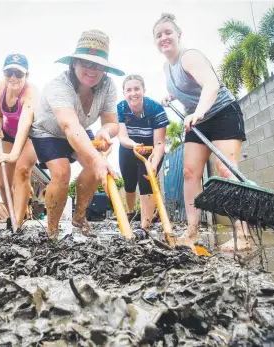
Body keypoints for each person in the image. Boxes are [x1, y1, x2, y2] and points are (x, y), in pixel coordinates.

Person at [153, 13, 250, 251]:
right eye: (158, 35)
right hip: (197, 120)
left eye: (168, 32)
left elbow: (211, 84)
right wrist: (172, 95)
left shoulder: (190, 56)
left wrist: (199, 112)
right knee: (189, 172)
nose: (164, 38)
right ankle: (192, 232)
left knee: (226, 170)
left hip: (222, 113)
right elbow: (188, 84)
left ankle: (243, 236)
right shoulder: (167, 67)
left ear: (179, 35)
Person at [29, 29, 123, 239]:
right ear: (73, 63)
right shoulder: (58, 86)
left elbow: (112, 123)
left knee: (93, 165)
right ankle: (52, 231)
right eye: (86, 63)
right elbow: (69, 126)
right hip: (48, 131)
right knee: (62, 172)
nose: (92, 69)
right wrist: (97, 159)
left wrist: (104, 131)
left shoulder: (108, 86)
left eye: (98, 64)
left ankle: (80, 217)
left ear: (105, 68)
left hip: (79, 129)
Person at [117, 74, 168, 237]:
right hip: (128, 148)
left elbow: (160, 143)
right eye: (129, 90)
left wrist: (153, 165)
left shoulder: (155, 109)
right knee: (129, 184)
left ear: (143, 90)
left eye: (137, 89)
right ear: (124, 93)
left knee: (147, 183)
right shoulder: (120, 108)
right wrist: (134, 146)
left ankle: (144, 227)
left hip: (151, 151)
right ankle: (131, 212)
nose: (133, 93)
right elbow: (123, 137)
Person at [0, 54, 39, 230]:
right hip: (7, 134)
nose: (13, 77)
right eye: (9, 72)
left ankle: (16, 224)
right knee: (3, 182)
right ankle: (13, 212)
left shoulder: (31, 93)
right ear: (4, 73)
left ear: (26, 75)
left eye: (18, 73)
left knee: (22, 170)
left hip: (30, 135)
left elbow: (25, 123)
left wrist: (14, 154)